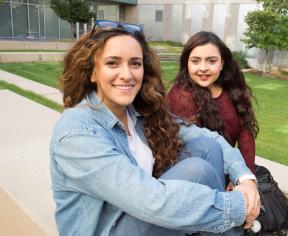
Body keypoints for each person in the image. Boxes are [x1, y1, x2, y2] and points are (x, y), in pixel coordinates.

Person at [50, 20, 260, 236]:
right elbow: (151, 200)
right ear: (92, 72)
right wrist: (239, 206)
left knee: (205, 146)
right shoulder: (76, 132)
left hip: (141, 216)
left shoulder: (136, 112)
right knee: (199, 170)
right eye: (113, 63)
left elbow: (207, 136)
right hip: (111, 228)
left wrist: (246, 179)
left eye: (135, 63)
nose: (127, 74)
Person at [167, 31, 258, 173]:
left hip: (230, 169)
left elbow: (246, 134)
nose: (203, 68)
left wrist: (246, 174)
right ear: (187, 63)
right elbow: (197, 152)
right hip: (197, 175)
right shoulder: (182, 96)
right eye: (195, 61)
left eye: (211, 61)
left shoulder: (233, 89)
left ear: (221, 63)